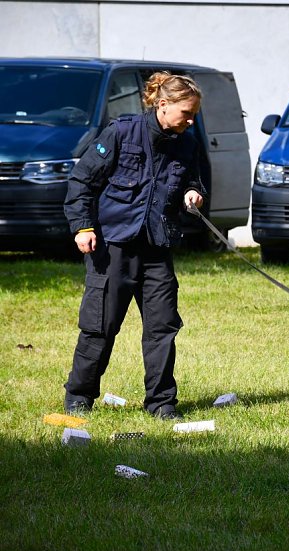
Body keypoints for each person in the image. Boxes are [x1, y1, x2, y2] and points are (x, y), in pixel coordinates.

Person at [62, 71, 205, 419]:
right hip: (113, 246)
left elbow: (195, 180)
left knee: (162, 328)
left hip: (157, 247)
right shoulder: (121, 132)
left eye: (194, 114)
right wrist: (83, 227)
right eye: (187, 113)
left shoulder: (187, 143)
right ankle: (79, 397)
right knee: (100, 325)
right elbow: (82, 182)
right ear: (163, 104)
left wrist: (193, 193)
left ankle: (162, 403)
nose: (191, 120)